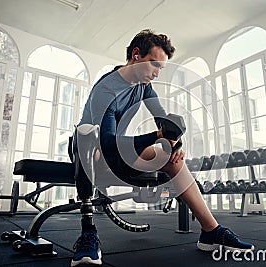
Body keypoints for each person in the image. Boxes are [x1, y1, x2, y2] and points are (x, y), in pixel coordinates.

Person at [71, 29, 254, 267]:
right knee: (89, 139)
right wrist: (159, 135)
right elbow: (107, 143)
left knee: (171, 157)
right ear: (136, 55)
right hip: (90, 151)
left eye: (161, 68)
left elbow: (163, 121)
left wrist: (175, 141)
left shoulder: (143, 85)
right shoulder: (107, 89)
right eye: (153, 64)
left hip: (117, 149)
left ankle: (211, 231)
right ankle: (88, 234)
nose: (157, 73)